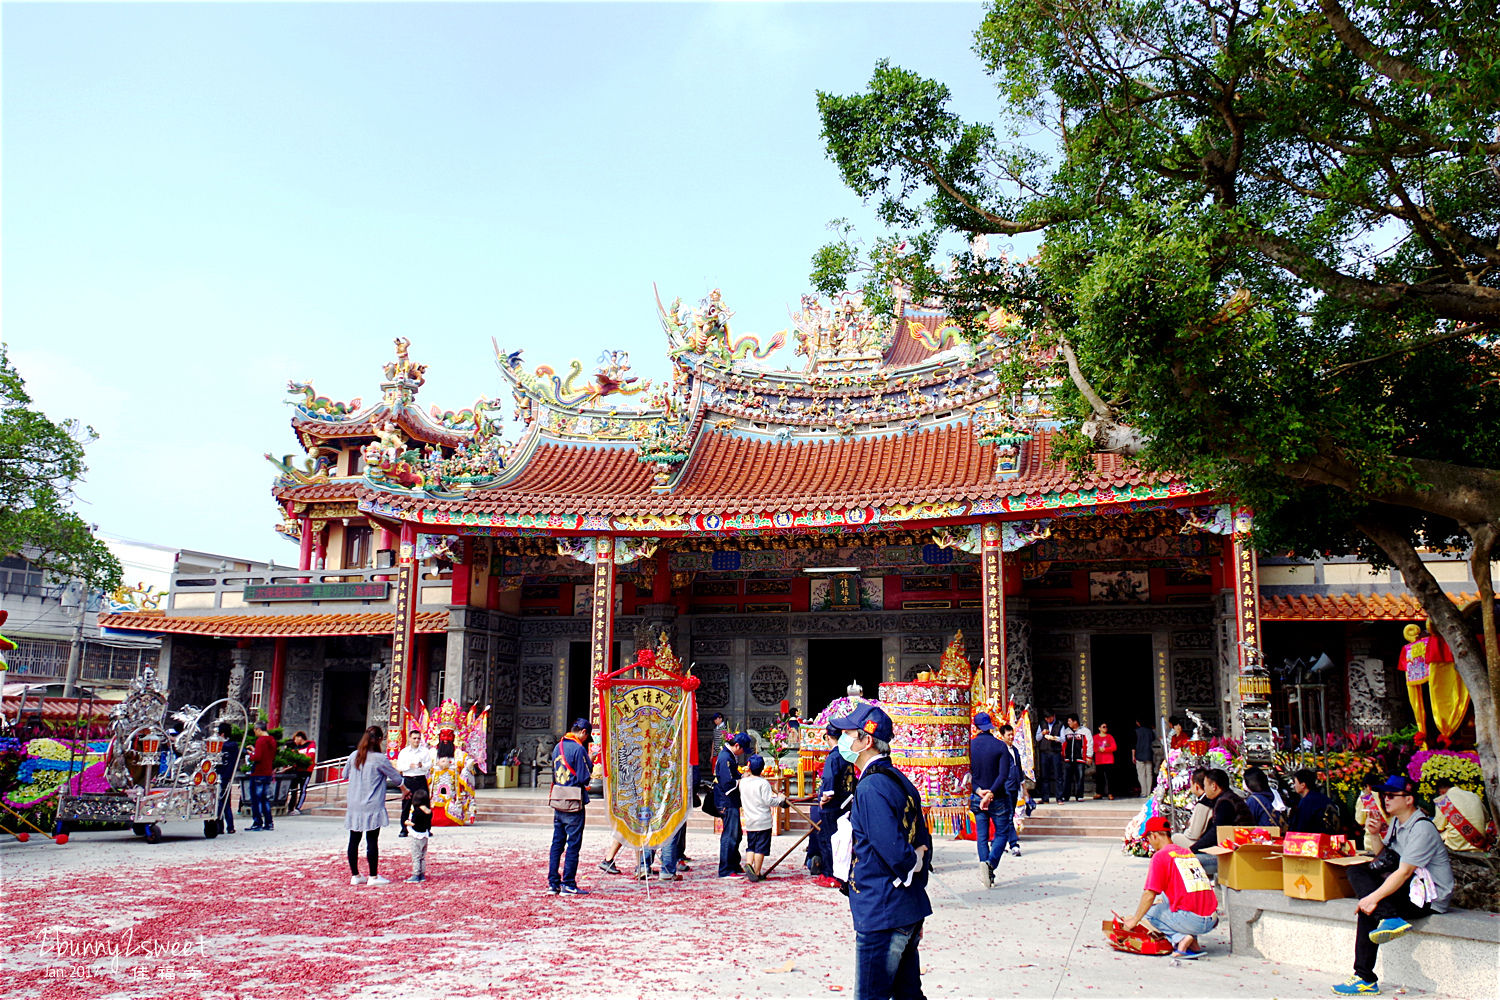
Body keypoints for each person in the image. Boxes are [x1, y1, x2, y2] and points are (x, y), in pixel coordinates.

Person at [830, 703, 932, 1000]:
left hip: (883, 910)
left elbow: (897, 851)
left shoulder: (872, 786)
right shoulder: (898, 779)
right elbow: (922, 840)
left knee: (872, 995)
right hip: (904, 908)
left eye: (848, 734)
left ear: (867, 740)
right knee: (908, 994)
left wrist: (915, 860)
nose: (843, 740)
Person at [1333, 775, 1454, 996]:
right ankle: (1386, 919)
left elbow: (1405, 871)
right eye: (1383, 796)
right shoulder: (1398, 823)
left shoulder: (1422, 828)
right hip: (1409, 887)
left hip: (1428, 897)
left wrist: (1371, 898)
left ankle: (1365, 978)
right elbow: (1385, 858)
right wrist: (1374, 834)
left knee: (1368, 908)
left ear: (1408, 799)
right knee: (1356, 869)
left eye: (1391, 796)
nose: (1385, 800)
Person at [1121, 816, 1218, 959]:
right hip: (1212, 918)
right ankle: (1193, 943)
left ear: (1154, 835)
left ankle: (1181, 939)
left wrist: (1135, 920)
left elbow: (1149, 894)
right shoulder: (1186, 853)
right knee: (1167, 898)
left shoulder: (1161, 857)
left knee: (1150, 913)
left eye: (1148, 839)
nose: (1150, 843)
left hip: (1194, 920)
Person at [344, 726, 404, 886]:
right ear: (379, 740)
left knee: (354, 839)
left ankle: (355, 875)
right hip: (372, 804)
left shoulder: (354, 756)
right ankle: (373, 876)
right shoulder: (380, 758)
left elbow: (344, 775)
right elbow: (397, 779)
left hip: (354, 803)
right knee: (372, 840)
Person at [968, 712, 1019, 887]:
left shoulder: (969, 746)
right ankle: (990, 864)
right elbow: (1003, 774)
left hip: (977, 795)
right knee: (1002, 833)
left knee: (982, 836)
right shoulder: (1000, 746)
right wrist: (991, 793)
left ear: (975, 727)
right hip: (998, 796)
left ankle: (985, 865)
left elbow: (967, 774)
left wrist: (979, 790)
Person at [546, 718, 593, 896]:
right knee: (573, 844)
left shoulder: (558, 746)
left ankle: (553, 883)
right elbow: (584, 778)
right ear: (583, 733)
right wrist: (591, 761)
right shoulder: (578, 748)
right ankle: (569, 883)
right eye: (586, 736)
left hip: (559, 800)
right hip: (574, 802)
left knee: (557, 844)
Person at [813, 722, 858, 888]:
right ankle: (839, 873)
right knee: (842, 840)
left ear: (828, 737)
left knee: (829, 840)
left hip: (832, 805)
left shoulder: (833, 756)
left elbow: (829, 779)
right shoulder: (846, 754)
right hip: (844, 802)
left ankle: (831, 874)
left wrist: (825, 797)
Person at [739, 754, 786, 882]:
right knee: (760, 848)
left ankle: (749, 864)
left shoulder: (743, 782)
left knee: (751, 846)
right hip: (763, 821)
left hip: (750, 820)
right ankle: (757, 872)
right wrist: (780, 799)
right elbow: (768, 801)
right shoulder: (763, 783)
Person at [716, 731, 753, 877]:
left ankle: (733, 863)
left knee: (736, 834)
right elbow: (727, 783)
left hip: (732, 801)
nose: (742, 752)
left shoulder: (729, 756)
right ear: (736, 745)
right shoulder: (725, 757)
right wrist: (741, 780)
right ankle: (726, 868)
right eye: (742, 749)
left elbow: (733, 776)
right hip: (727, 800)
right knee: (729, 835)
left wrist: (741, 776)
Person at [1432, 777, 1491, 853]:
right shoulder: (1474, 796)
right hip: (1479, 845)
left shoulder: (1443, 800)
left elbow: (1438, 828)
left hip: (1456, 846)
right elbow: (1486, 819)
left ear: (1441, 792)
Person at [395, 728, 435, 838]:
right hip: (408, 779)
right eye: (414, 738)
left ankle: (427, 828)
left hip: (420, 778)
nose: (416, 740)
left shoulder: (424, 751)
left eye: (418, 738)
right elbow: (399, 767)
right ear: (409, 739)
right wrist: (409, 766)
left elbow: (429, 765)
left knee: (425, 804)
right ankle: (404, 829)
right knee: (406, 805)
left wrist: (423, 766)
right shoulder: (404, 752)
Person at [245, 722, 278, 832]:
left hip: (258, 773)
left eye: (255, 730)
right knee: (265, 799)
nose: (255, 732)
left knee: (256, 799)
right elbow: (268, 755)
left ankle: (257, 822)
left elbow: (258, 757)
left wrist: (251, 755)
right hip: (268, 772)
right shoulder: (272, 740)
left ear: (259, 729)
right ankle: (269, 823)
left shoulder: (260, 741)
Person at [1288, 768, 1340, 834]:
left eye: (1295, 783)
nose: (1294, 786)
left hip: (1314, 839)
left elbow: (1301, 827)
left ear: (1303, 785)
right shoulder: (1322, 797)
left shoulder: (1307, 802)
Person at [213, 722, 240, 835]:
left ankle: (219, 825)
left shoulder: (223, 746)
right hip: (228, 776)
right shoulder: (234, 746)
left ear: (222, 734)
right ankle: (230, 826)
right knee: (225, 802)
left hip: (221, 775)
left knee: (219, 802)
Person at [404, 785, 433, 883]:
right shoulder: (429, 811)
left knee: (416, 856)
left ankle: (416, 874)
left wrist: (407, 822)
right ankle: (422, 874)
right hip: (425, 835)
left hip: (416, 835)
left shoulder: (417, 811)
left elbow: (414, 823)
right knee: (422, 857)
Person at [1034, 710, 1064, 804]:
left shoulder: (1060, 724)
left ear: (1053, 716)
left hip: (1055, 752)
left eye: (1050, 718)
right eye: (1046, 718)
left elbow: (1063, 738)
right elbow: (1037, 738)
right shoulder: (1042, 724)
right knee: (1044, 775)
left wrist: (1054, 738)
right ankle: (1045, 797)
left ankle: (1059, 797)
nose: (1048, 720)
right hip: (1044, 752)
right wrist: (1042, 734)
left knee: (1058, 775)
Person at [1354, 774, 1389, 854]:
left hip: (1372, 843)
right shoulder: (1388, 796)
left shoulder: (1364, 799)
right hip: (1391, 839)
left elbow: (1360, 820)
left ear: (1367, 786)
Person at [1061, 714, 1092, 802]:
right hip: (1068, 758)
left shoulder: (1085, 731)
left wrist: (1089, 756)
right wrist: (1063, 754)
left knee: (1080, 777)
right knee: (1066, 778)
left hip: (1080, 758)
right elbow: (1062, 743)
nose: (1068, 723)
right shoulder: (1066, 731)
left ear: (1075, 722)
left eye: (1070, 721)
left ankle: (1079, 795)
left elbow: (1089, 744)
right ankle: (1065, 795)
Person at [286, 731, 317, 815]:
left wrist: (297, 754)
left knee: (303, 789)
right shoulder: (296, 747)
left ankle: (298, 808)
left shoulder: (311, 744)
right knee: (293, 790)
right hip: (296, 770)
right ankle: (290, 808)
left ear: (300, 737)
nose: (294, 741)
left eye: (295, 738)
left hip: (306, 771)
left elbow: (310, 756)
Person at [1093, 722, 1117, 799]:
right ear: (1099, 728)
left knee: (1109, 778)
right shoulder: (1095, 737)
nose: (1105, 728)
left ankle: (1110, 793)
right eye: (1103, 727)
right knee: (1099, 777)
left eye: (1106, 727)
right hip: (1099, 760)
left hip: (1108, 760)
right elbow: (1092, 747)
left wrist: (1105, 749)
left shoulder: (1110, 737)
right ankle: (1099, 793)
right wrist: (1098, 749)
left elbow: (1114, 747)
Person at [1133, 719, 1156, 797]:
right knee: (1149, 774)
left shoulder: (1136, 731)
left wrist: (1133, 755)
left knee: (1141, 774)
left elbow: (1133, 745)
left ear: (1138, 723)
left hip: (1139, 755)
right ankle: (1149, 792)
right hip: (1149, 754)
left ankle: (1143, 792)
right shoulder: (1150, 731)